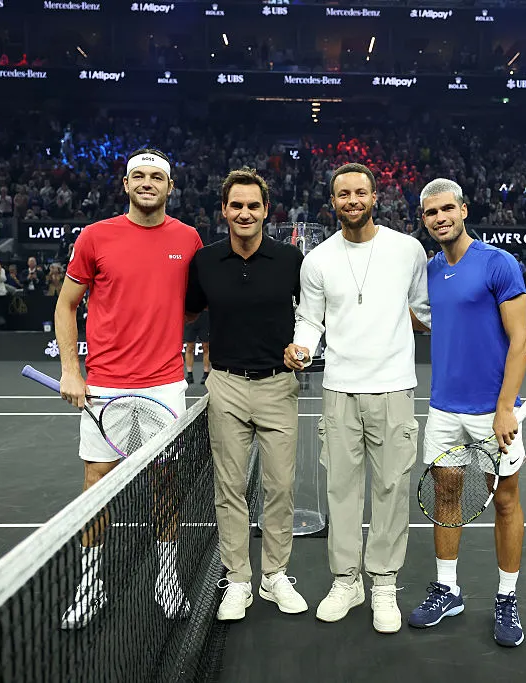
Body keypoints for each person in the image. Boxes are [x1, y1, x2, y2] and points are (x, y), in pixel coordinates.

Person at [54, 147, 203, 629]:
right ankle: (90, 583)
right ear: (125, 184)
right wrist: (72, 371)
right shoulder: (96, 237)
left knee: (166, 484)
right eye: (138, 175)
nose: (147, 182)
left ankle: (167, 575)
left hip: (164, 384)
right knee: (97, 482)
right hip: (103, 386)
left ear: (169, 187)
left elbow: (194, 304)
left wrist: (161, 326)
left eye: (156, 176)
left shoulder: (188, 238)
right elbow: (66, 305)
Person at [284, 163, 431, 634]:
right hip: (339, 390)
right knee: (341, 491)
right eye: (343, 194)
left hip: (393, 388)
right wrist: (303, 347)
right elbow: (310, 319)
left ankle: (384, 582)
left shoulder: (407, 250)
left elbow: (426, 311)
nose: (352, 200)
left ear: (375, 197)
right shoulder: (319, 260)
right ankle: (346, 580)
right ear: (334, 202)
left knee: (390, 489)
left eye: (360, 192)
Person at [403, 178, 526, 648]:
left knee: (505, 502)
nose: (440, 218)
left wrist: (504, 407)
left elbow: (521, 340)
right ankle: (447, 588)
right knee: (447, 498)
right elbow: (423, 318)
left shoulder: (498, 264)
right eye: (431, 212)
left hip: (491, 411)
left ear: (463, 209)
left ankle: (506, 597)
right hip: (442, 410)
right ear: (424, 219)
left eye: (446, 209)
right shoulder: (431, 272)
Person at [185, 168, 308, 621]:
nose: (244, 213)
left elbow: (314, 314)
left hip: (279, 385)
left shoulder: (290, 260)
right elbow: (185, 310)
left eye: (252, 205)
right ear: (224, 210)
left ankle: (274, 575)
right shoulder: (204, 263)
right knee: (229, 489)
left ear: (265, 210)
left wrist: (305, 347)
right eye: (236, 205)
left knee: (279, 487)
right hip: (226, 385)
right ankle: (238, 580)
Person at [182, 310, 211, 384]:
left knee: (206, 347)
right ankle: (189, 375)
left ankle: (206, 374)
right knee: (189, 347)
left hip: (204, 316)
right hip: (190, 316)